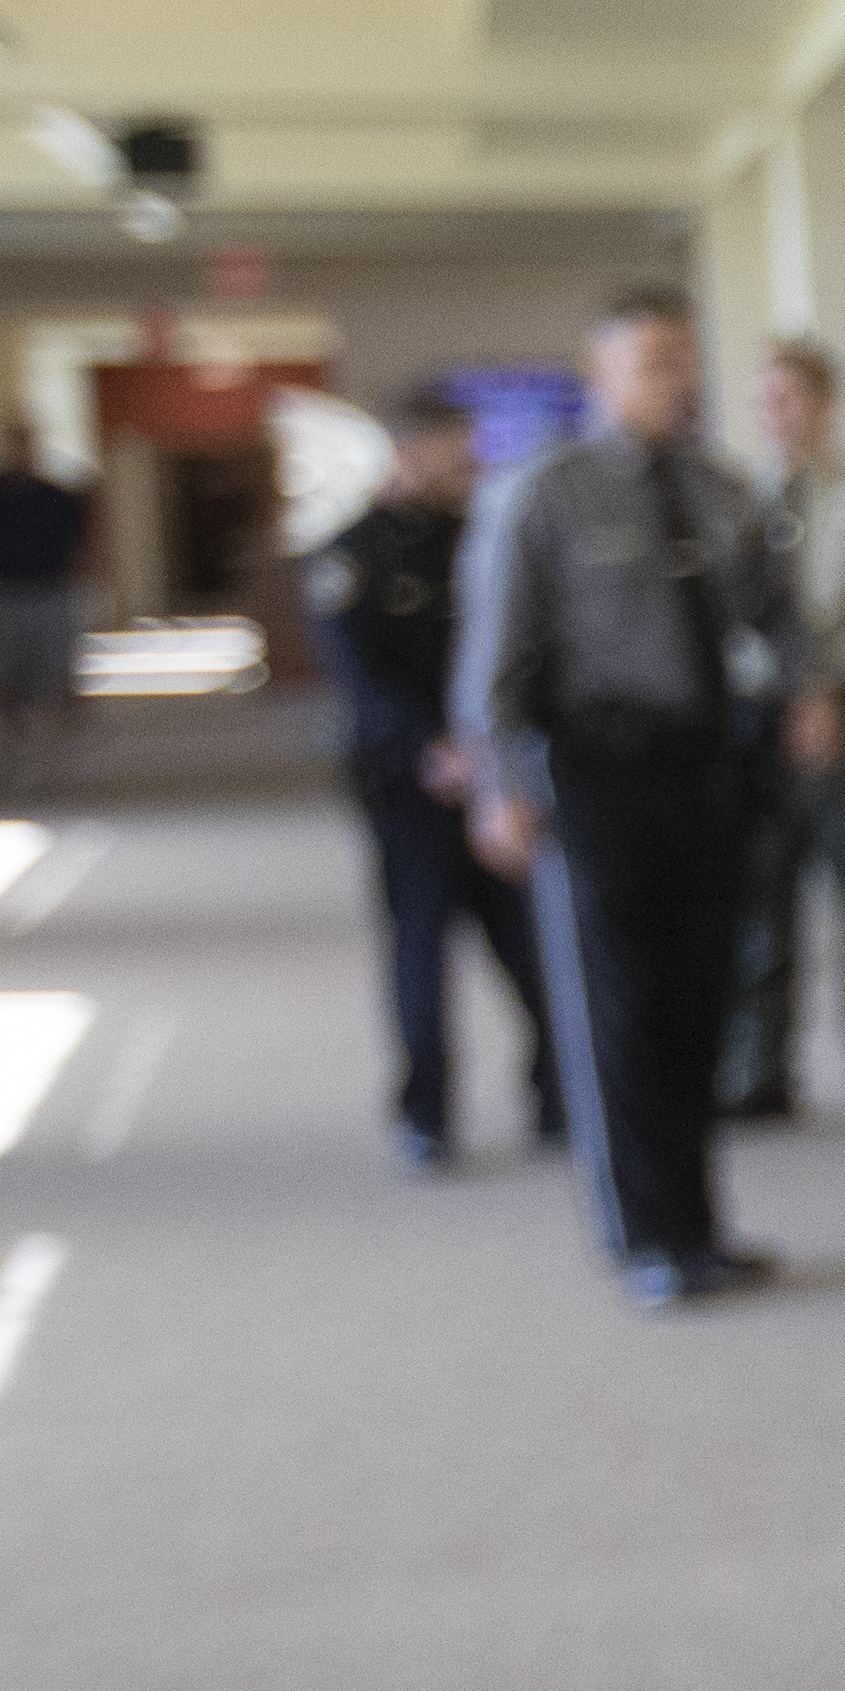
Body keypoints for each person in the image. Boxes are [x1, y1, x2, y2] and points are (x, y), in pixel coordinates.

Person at [457, 286, 784, 1306]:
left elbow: (776, 612)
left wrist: (809, 687)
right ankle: (643, 1230)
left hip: (705, 764)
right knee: (618, 1007)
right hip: (597, 769)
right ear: (602, 376)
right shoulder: (544, 492)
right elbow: (494, 656)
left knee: (699, 1002)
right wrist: (499, 784)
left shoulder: (723, 490)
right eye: (650, 363)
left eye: (683, 361)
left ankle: (698, 1220)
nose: (673, 382)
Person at [302, 397, 559, 1171]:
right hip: (409, 787)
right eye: (454, 456)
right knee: (421, 953)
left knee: (530, 947)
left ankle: (557, 1097)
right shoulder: (352, 555)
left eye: (471, 456)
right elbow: (361, 674)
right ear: (406, 454)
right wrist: (431, 746)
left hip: (495, 777)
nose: (468, 470)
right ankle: (426, 1117)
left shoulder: (480, 540)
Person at [724, 331, 845, 1127]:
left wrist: (823, 692)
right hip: (755, 720)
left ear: (827, 405)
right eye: (765, 401)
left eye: (789, 398)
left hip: (840, 713)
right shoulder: (737, 499)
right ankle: (760, 1067)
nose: (775, 415)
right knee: (760, 903)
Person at [0, 427, 92, 784]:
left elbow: (82, 550)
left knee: (56, 676)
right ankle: (8, 756)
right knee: (3, 679)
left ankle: (54, 761)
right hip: (4, 595)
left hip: (52, 593)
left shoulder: (58, 496)